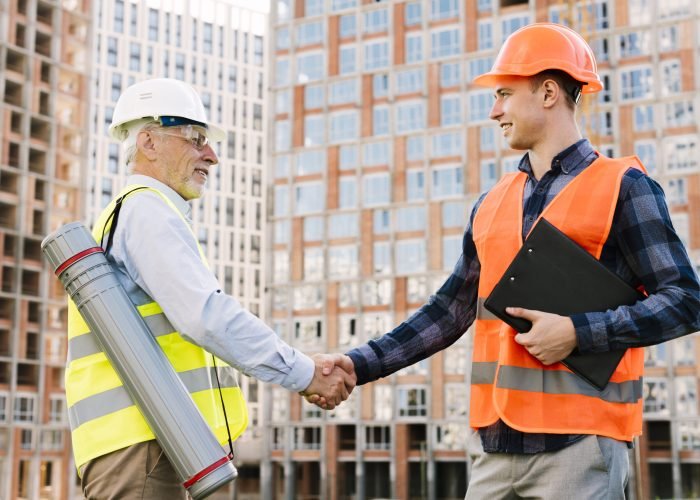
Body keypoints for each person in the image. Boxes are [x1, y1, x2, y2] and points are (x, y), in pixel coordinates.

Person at [308, 23, 700, 499]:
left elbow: (685, 301)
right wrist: (356, 364)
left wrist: (579, 332)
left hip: (579, 449)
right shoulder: (491, 202)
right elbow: (449, 310)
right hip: (493, 451)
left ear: (549, 92)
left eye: (504, 94)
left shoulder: (625, 187)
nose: (494, 111)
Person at [67, 78, 355, 498]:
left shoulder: (140, 212)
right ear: (149, 141)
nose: (212, 155)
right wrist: (305, 372)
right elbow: (205, 315)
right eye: (195, 139)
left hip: (159, 439)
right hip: (146, 442)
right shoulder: (147, 209)